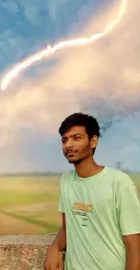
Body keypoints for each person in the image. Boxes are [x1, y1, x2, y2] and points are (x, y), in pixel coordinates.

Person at [43, 112, 140, 270]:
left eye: (76, 137)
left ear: (93, 141)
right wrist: (54, 248)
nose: (68, 145)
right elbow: (67, 227)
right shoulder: (66, 181)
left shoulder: (119, 183)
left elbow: (135, 249)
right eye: (64, 139)